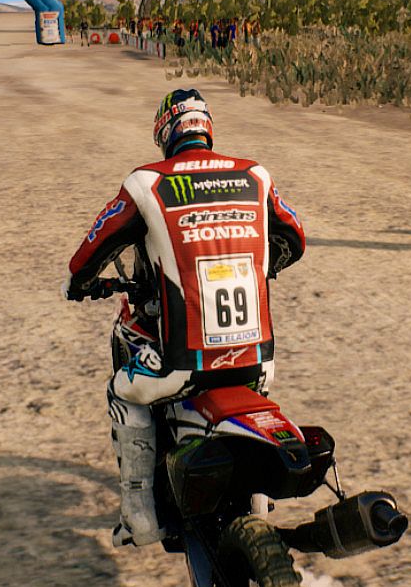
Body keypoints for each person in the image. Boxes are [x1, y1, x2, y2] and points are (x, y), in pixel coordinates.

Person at [65, 89, 306, 547]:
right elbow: (294, 238)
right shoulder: (255, 175)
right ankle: (255, 501)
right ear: (206, 127)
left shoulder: (146, 182)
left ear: (165, 132)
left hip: (183, 366)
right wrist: (264, 265)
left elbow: (92, 249)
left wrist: (77, 283)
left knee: (124, 392)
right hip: (257, 363)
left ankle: (139, 515)